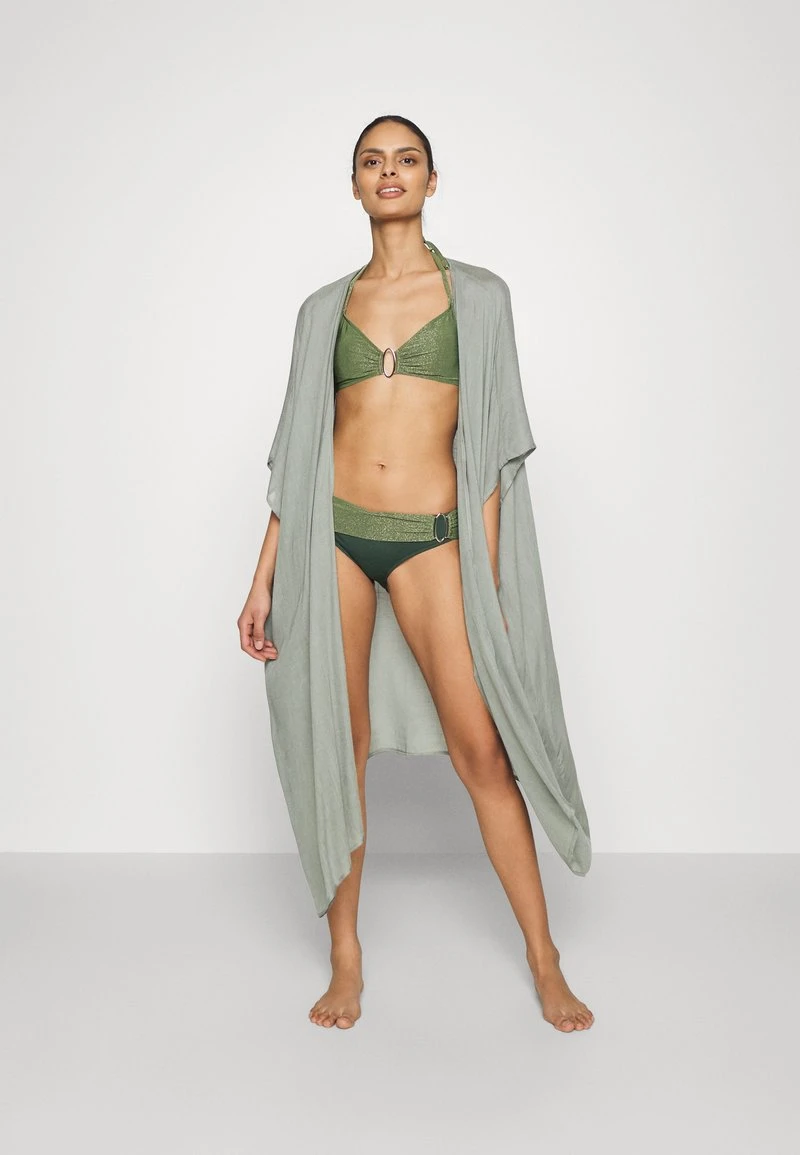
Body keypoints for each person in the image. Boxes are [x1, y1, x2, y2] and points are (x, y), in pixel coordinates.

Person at [238, 115, 594, 1034]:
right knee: (340, 748)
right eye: (372, 161)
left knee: (484, 753)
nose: (388, 172)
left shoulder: (479, 297)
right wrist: (262, 577)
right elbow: (298, 450)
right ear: (355, 184)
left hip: (433, 541)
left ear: (432, 181)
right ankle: (345, 956)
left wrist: (486, 580)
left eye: (406, 160)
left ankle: (544, 957)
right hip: (334, 539)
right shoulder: (323, 310)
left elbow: (494, 449)